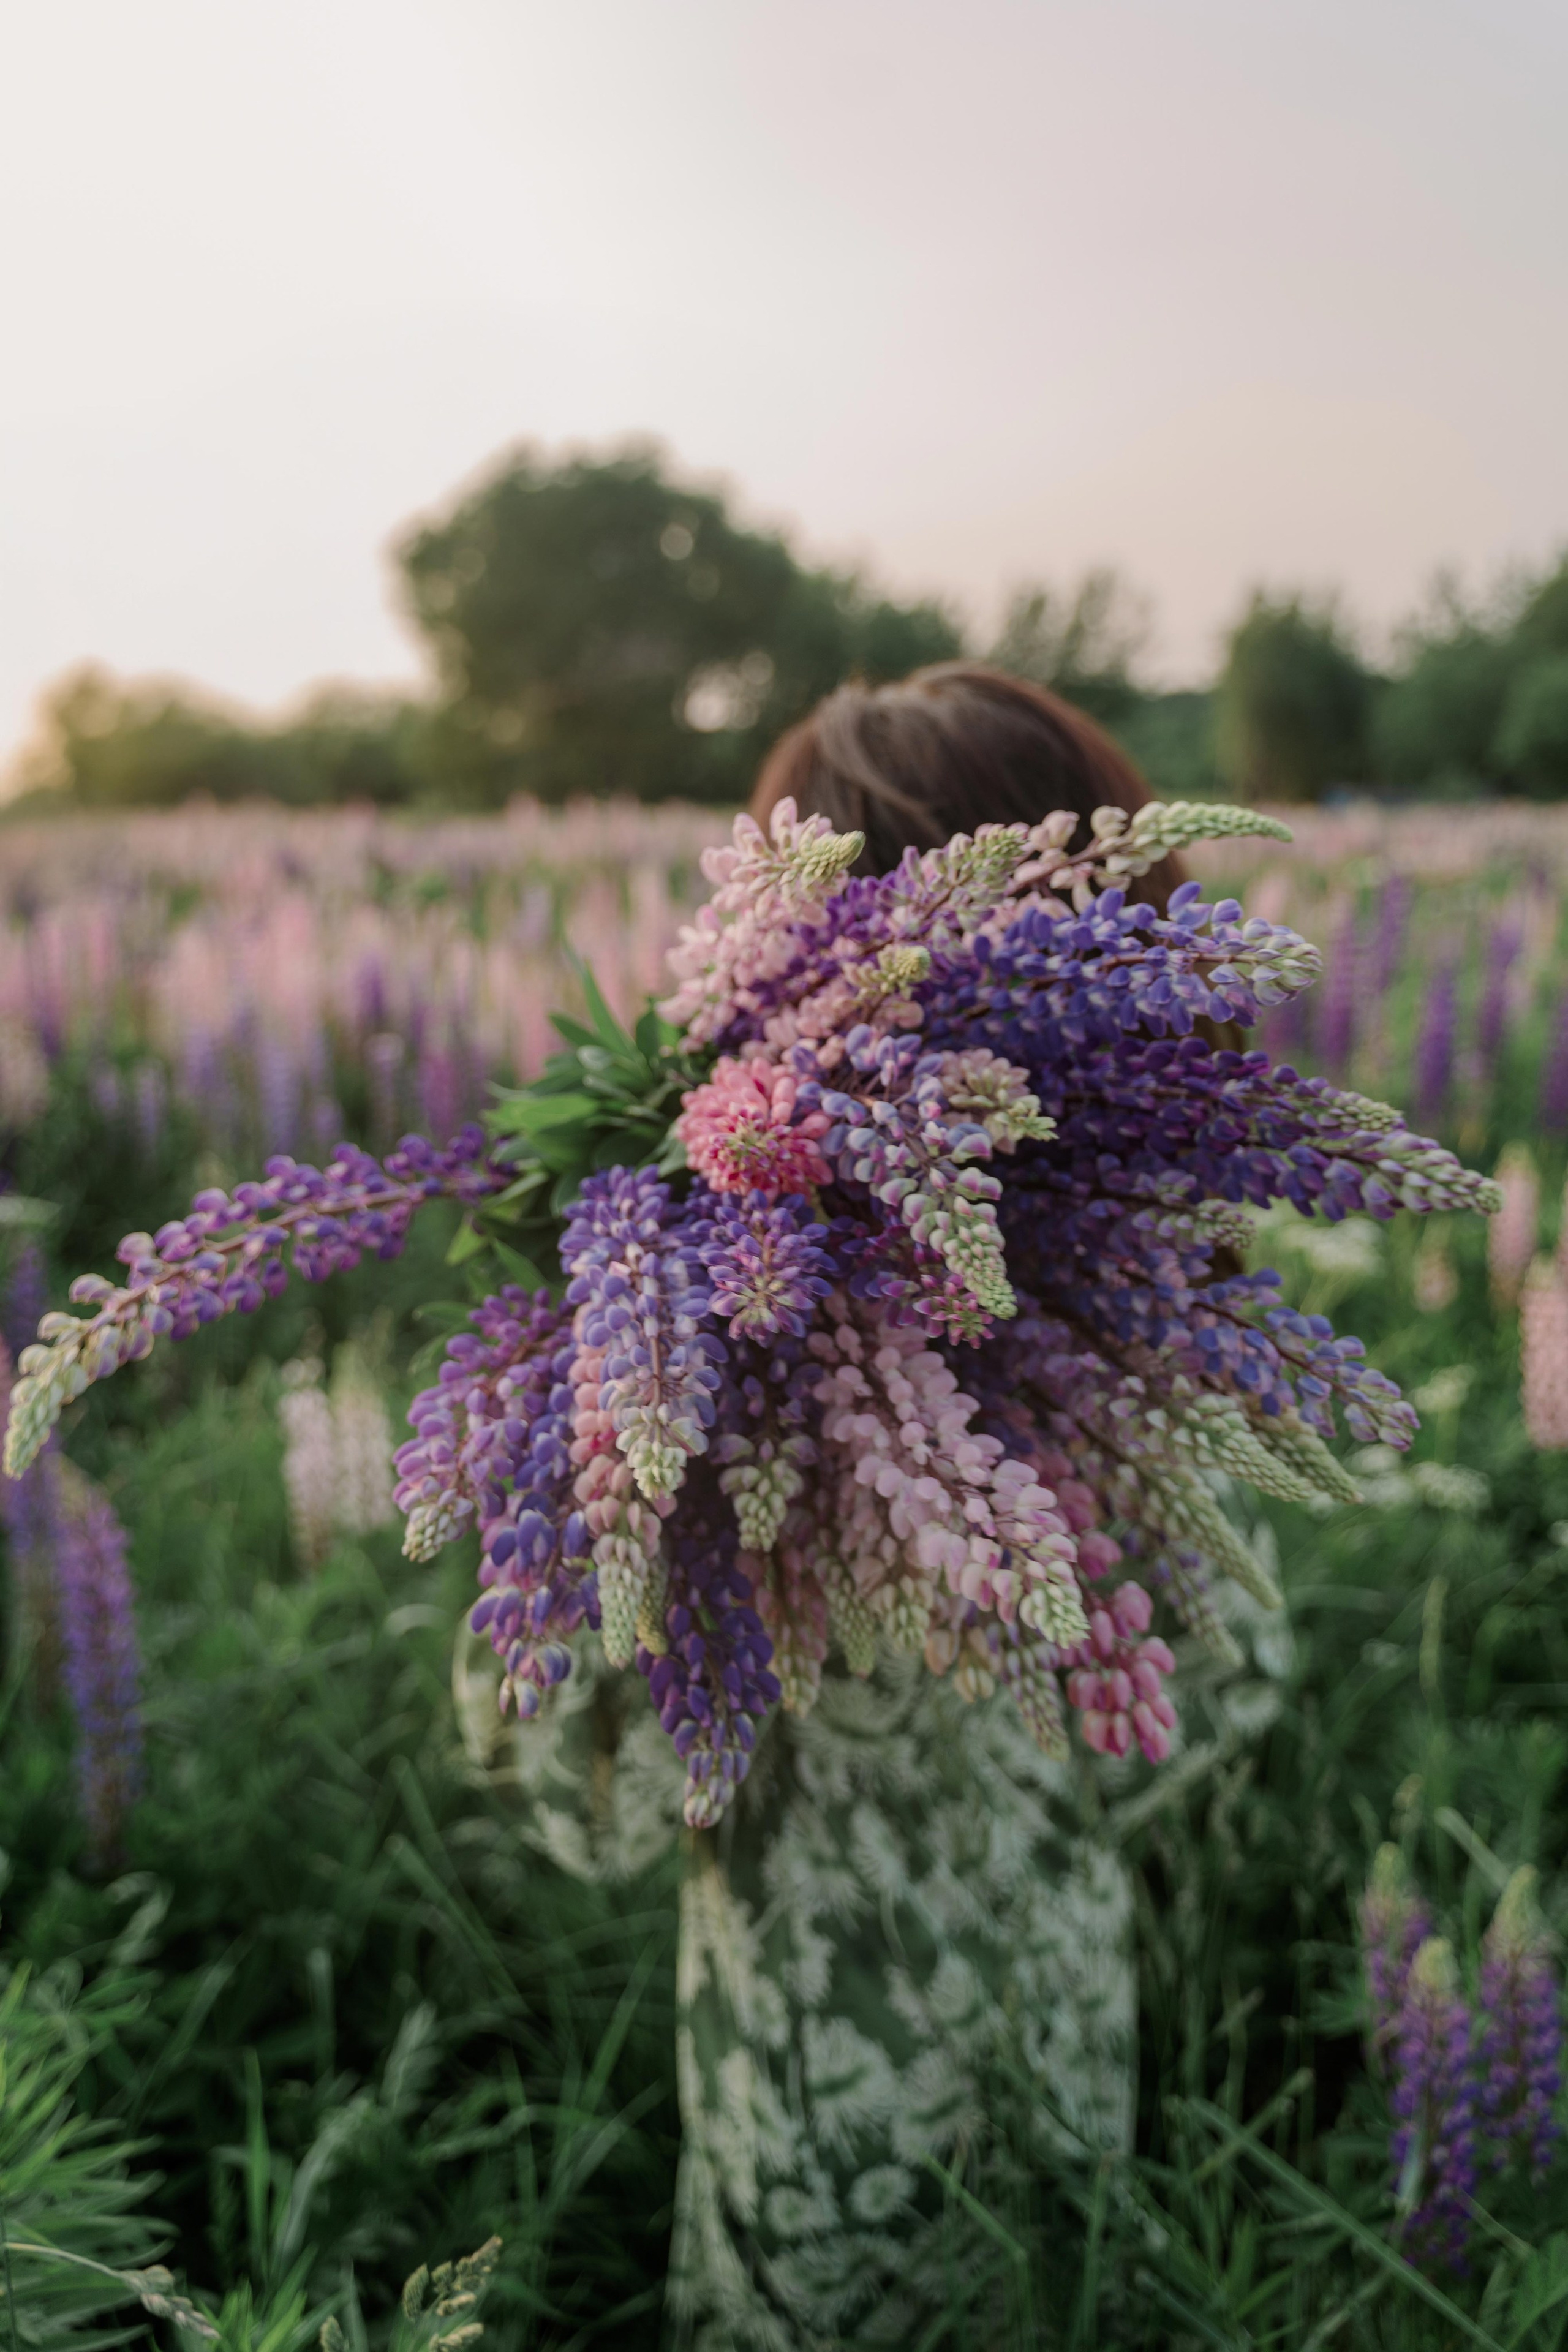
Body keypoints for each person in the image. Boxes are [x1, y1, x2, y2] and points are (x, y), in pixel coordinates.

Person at [507, 667, 1193, 2346]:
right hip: (1073, 2088)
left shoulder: (658, 1362)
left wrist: (589, 1391)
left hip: (806, 2147)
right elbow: (1210, 1723)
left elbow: (578, 1808)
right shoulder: (1157, 1339)